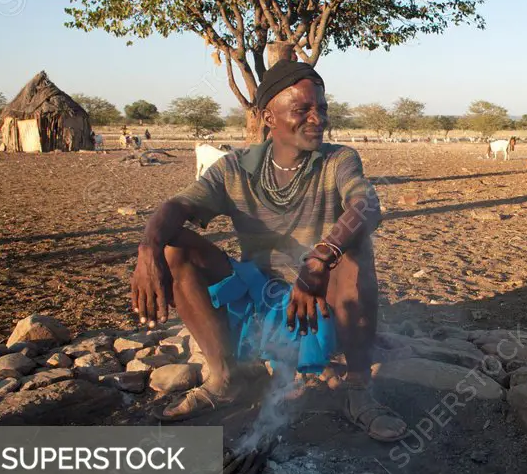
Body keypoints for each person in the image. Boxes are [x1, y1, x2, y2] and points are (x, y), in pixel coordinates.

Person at [130, 60, 407, 442]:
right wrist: (149, 247)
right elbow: (176, 208)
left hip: (317, 300)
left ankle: (357, 388)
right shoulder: (233, 168)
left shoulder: (338, 160)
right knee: (173, 246)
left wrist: (321, 256)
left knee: (356, 247)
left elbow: (366, 205)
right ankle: (226, 377)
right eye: (302, 110)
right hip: (258, 300)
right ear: (267, 117)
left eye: (322, 109)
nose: (318, 119)